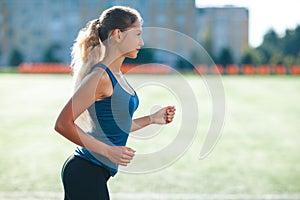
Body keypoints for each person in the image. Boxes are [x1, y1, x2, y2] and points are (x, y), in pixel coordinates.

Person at [54, 6, 176, 200]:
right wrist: (108, 151)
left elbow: (116, 126)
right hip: (85, 171)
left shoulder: (117, 75)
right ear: (117, 35)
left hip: (95, 173)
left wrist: (152, 119)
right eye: (137, 34)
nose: (141, 42)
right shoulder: (100, 76)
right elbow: (62, 124)